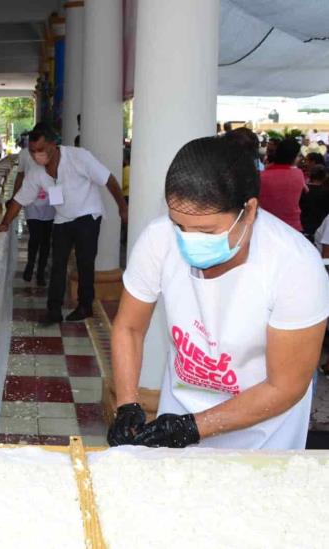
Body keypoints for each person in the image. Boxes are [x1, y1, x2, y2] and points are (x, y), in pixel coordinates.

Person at [108, 136, 329, 450]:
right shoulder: (158, 239)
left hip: (264, 434)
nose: (188, 240)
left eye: (207, 231)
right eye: (179, 226)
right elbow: (129, 327)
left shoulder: (295, 266)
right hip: (181, 414)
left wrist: (195, 427)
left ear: (249, 211)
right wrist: (128, 403)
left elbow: (285, 386)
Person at [0, 123, 128, 323]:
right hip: (63, 218)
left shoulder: (78, 157)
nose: (36, 155)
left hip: (87, 214)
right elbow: (20, 199)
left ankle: (85, 306)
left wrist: (122, 207)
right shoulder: (37, 172)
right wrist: (5, 223)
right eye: (32, 151)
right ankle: (54, 311)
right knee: (57, 263)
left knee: (85, 262)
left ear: (53, 144)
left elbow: (108, 179)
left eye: (40, 150)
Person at [10, 140, 55, 286]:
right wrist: (14, 197)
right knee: (35, 236)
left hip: (50, 202)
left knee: (46, 240)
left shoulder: (53, 154)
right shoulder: (24, 154)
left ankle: (41, 271)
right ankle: (30, 265)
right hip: (32, 202)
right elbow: (20, 175)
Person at [259, 138, 304, 232]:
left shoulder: (261, 176)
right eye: (299, 156)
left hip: (265, 227)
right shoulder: (298, 174)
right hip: (291, 227)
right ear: (294, 157)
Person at [300, 165, 329, 239]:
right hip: (317, 228)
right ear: (325, 177)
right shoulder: (326, 192)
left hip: (301, 225)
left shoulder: (302, 189)